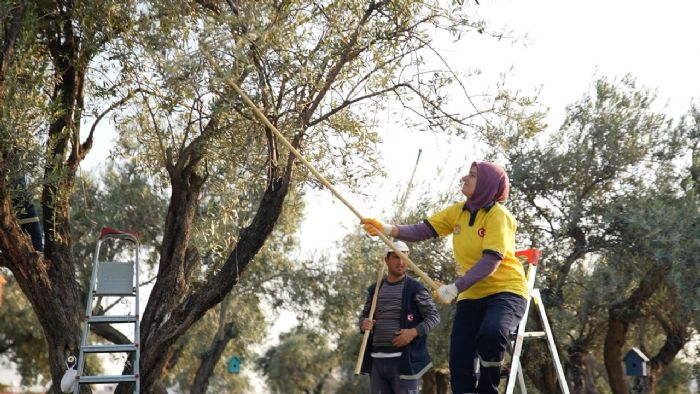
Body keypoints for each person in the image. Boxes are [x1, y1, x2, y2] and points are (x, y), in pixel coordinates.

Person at [361, 161, 528, 394]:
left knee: (492, 333)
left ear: (487, 184)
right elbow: (423, 230)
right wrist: (386, 229)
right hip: (472, 294)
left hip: (506, 291)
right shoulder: (459, 211)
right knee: (459, 355)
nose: (464, 178)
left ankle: (489, 388)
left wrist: (454, 288)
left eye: (472, 175)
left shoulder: (498, 216)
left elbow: (490, 261)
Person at [359, 240, 441, 394]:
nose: (401, 262)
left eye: (405, 258)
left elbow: (434, 316)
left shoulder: (415, 289)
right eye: (396, 257)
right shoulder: (375, 289)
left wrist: (413, 333)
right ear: (387, 260)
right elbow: (363, 317)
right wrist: (363, 324)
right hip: (376, 361)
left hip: (404, 362)